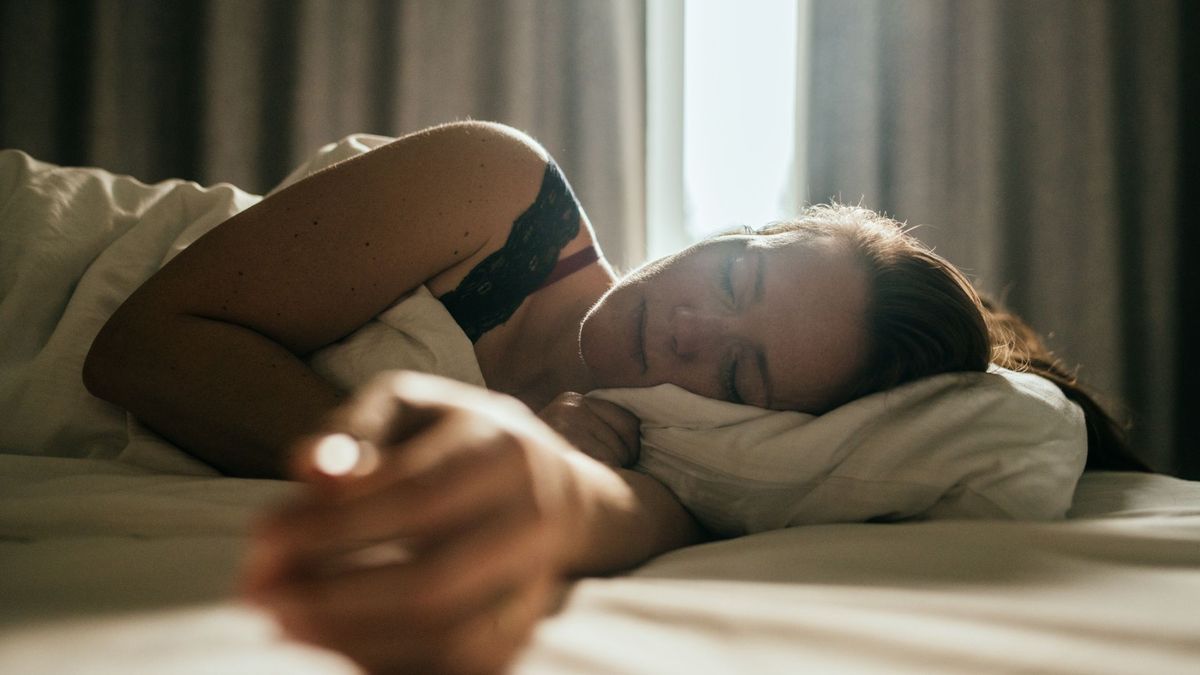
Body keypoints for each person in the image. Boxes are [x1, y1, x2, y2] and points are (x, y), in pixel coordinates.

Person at [82, 121, 1144, 674]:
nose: (692, 328)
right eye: (735, 279)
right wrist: (431, 464)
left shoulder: (665, 468)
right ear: (736, 230)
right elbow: (144, 348)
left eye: (740, 372)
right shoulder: (501, 195)